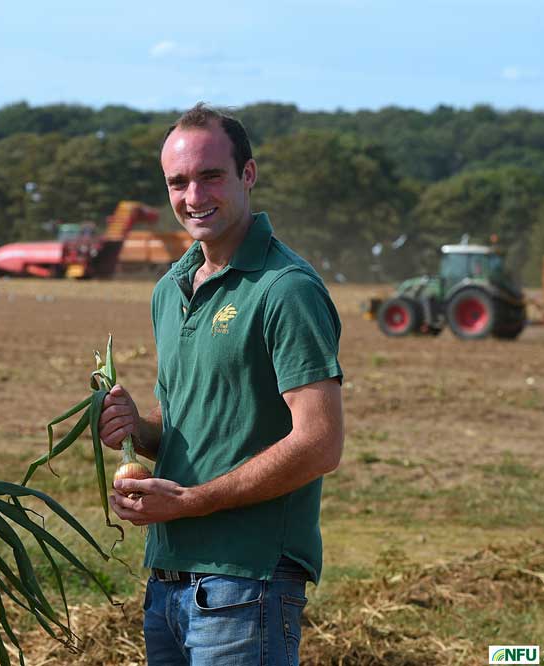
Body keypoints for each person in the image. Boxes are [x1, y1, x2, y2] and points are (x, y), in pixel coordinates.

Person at [98, 104, 344, 665]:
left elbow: (320, 443)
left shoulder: (286, 289)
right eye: (177, 182)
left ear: (247, 175)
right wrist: (143, 432)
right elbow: (203, 427)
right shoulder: (171, 288)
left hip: (246, 582)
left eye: (210, 176)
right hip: (168, 580)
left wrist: (191, 502)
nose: (193, 196)